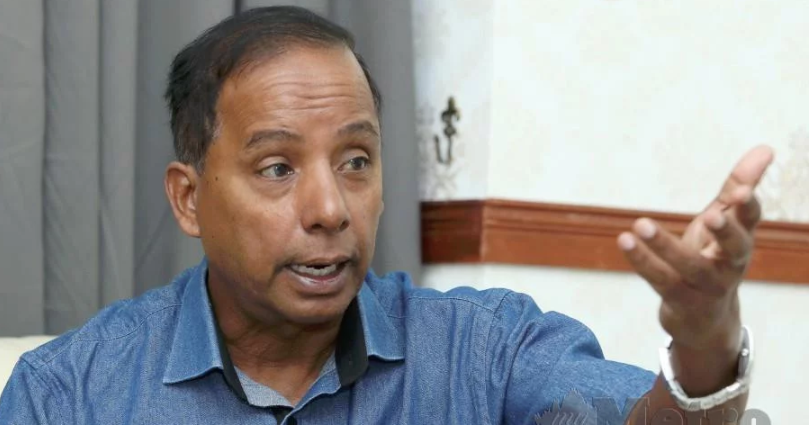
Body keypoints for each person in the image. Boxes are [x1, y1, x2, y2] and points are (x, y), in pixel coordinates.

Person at [0, 6, 772, 425]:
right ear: (188, 197)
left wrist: (704, 343)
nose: (330, 208)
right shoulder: (70, 393)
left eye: (355, 161)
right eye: (277, 168)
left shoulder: (485, 351)